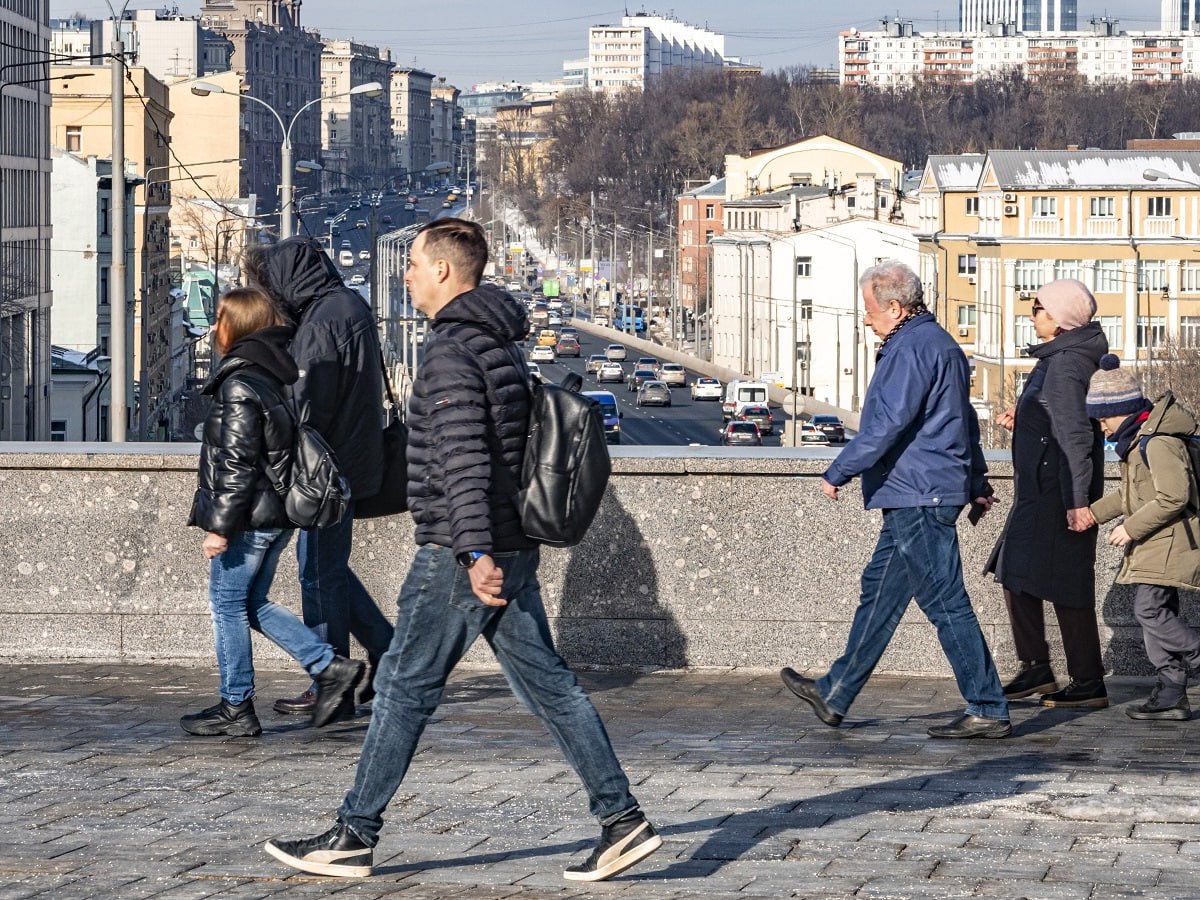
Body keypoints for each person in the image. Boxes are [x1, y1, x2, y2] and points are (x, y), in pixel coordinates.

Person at [263, 218, 661, 882]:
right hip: (509, 540)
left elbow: (467, 462)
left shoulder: (451, 350)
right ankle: (622, 821)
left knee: (401, 687)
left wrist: (473, 553)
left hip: (462, 546)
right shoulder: (498, 341)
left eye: (415, 264)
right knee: (551, 689)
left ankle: (353, 834)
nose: (407, 275)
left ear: (446, 270)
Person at [779, 260, 1010, 739]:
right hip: (922, 489)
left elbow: (887, 425)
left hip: (918, 494)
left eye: (869, 309)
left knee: (946, 602)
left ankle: (987, 706)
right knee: (879, 591)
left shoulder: (910, 350)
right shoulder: (938, 343)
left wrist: (839, 470)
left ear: (896, 307)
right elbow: (961, 420)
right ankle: (835, 691)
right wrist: (977, 480)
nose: (866, 319)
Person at [183, 287, 365, 737]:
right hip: (274, 516)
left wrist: (219, 529)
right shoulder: (270, 375)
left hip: (249, 519)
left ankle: (237, 706)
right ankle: (329, 668)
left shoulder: (240, 384)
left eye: (219, 319)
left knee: (227, 605)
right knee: (251, 604)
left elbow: (236, 464)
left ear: (236, 326)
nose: (213, 329)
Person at [243, 238, 393, 718]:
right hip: (352, 457)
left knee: (318, 576)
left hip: (326, 469)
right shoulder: (348, 304)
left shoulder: (323, 321)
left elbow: (304, 403)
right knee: (330, 570)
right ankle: (387, 649)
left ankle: (331, 681)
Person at [988, 279, 1109, 708]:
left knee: (1064, 581)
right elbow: (1055, 421)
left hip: (1056, 491)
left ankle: (1086, 679)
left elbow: (1076, 437)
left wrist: (1078, 503)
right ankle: (1038, 666)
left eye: (1038, 308)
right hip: (1045, 486)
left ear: (1059, 320)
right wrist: (1025, 421)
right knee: (1017, 571)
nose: (1032, 314)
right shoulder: (1061, 356)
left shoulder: (1066, 364)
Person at [1085, 356, 1200, 720]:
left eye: (1104, 419)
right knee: (1157, 611)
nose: (1102, 428)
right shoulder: (1138, 442)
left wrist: (1129, 528)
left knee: (1148, 610)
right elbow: (1134, 496)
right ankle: (1170, 693)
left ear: (1123, 410)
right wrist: (1092, 513)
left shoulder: (1158, 442)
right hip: (1157, 541)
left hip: (1169, 540)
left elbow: (1173, 497)